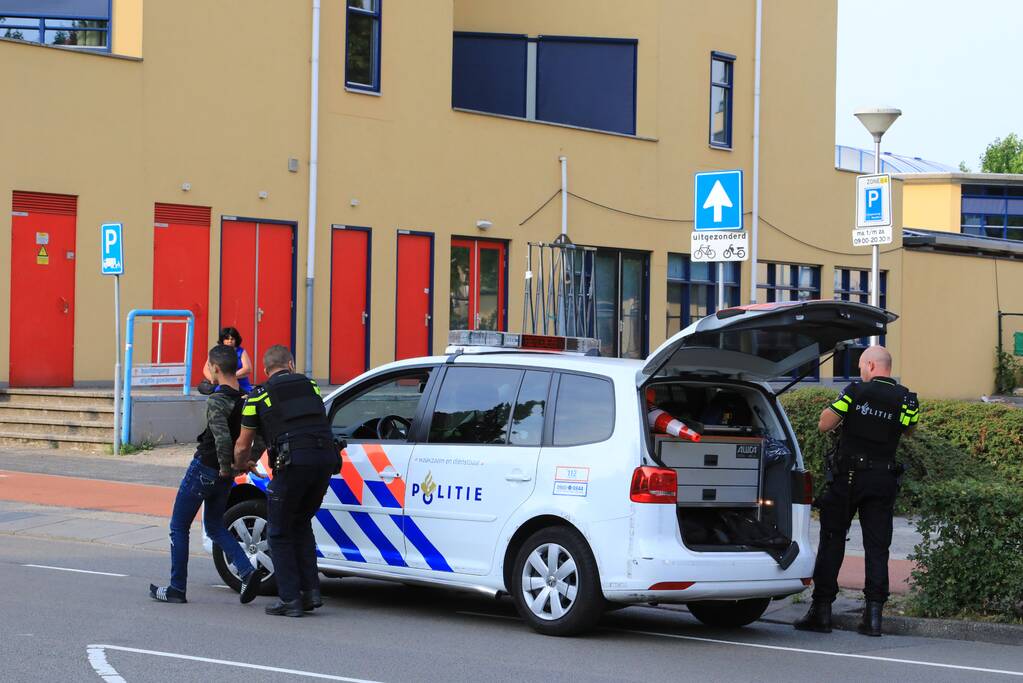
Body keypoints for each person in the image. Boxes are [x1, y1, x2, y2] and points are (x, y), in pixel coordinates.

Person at [794, 346, 920, 637]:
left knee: (832, 540)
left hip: (847, 477)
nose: (860, 372)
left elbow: (825, 424)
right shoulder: (907, 399)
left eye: (862, 367)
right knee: (878, 547)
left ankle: (821, 611)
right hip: (883, 478)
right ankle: (873, 616)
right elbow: (908, 429)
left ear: (872, 365)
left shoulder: (854, 391)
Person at [150, 344, 266, 605]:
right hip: (226, 474)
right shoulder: (245, 400)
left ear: (214, 369)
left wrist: (226, 467)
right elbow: (257, 438)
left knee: (178, 526)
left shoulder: (217, 400)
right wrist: (241, 465)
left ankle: (176, 588)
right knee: (215, 526)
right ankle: (247, 572)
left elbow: (222, 439)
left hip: (205, 468)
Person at [233, 345, 339, 617]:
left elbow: (244, 443)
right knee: (301, 523)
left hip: (292, 467)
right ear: (291, 364)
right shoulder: (311, 386)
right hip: (324, 462)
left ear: (266, 370)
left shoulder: (258, 395)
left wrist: (241, 464)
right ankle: (311, 593)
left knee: (279, 531)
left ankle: (289, 599)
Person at [203, 327, 253, 394]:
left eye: (232, 339)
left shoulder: (241, 351)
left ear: (236, 340)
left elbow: (247, 369)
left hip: (241, 386)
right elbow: (206, 369)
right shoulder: (216, 351)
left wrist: (229, 377)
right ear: (222, 340)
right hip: (221, 386)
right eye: (227, 339)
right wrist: (213, 379)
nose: (230, 341)